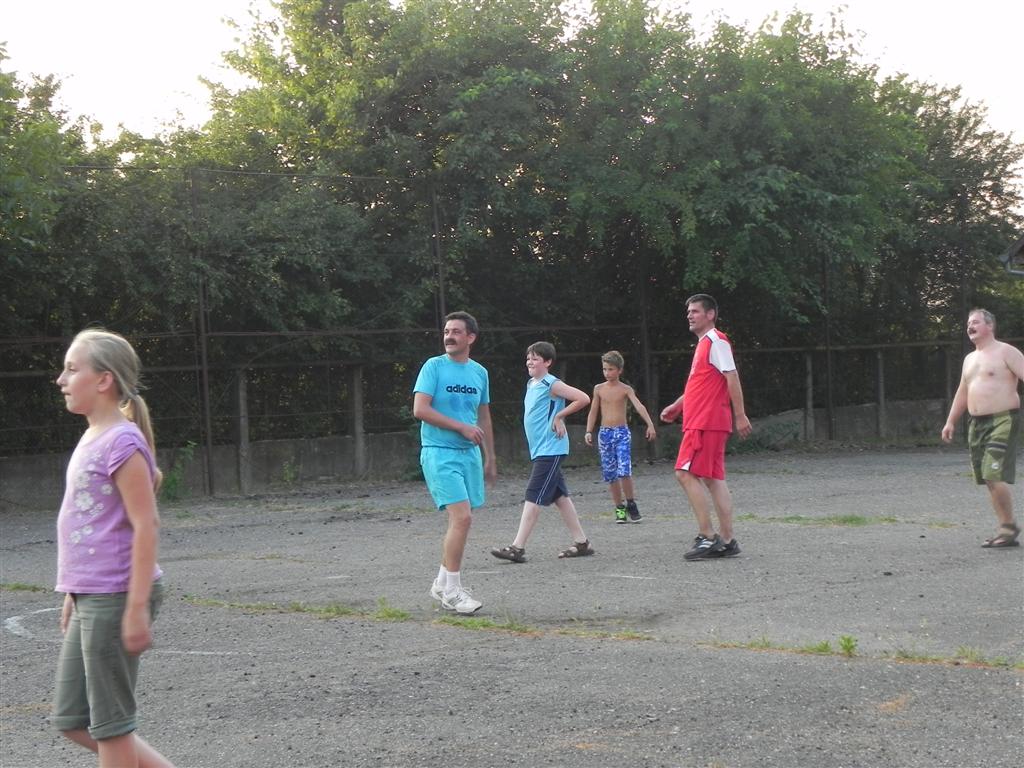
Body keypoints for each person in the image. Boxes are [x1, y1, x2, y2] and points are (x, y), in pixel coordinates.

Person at [52, 329, 174, 768]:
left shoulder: (122, 441)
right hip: (92, 594)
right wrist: (74, 592)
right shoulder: (94, 436)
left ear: (103, 380)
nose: (61, 380)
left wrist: (136, 608)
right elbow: (95, 526)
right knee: (74, 720)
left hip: (116, 595)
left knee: (111, 727)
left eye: (71, 369)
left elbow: (146, 525)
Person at [413, 311, 497, 614]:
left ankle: (441, 582)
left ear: (471, 337)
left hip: (469, 455)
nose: (449, 336)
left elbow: (484, 416)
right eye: (447, 331)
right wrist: (460, 427)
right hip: (439, 452)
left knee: (459, 521)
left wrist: (490, 456)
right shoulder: (433, 367)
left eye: (456, 332)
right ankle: (452, 592)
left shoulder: (479, 373)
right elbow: (420, 409)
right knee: (462, 518)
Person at [660, 294, 752, 560]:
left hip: (705, 421)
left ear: (710, 315)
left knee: (684, 473)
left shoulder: (716, 340)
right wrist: (678, 405)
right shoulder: (704, 344)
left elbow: (731, 376)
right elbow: (700, 384)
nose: (689, 315)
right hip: (705, 420)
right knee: (713, 479)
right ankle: (727, 540)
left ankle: (708, 536)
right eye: (688, 311)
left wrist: (740, 415)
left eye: (695, 311)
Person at [491, 342, 593, 563]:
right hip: (540, 449)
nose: (530, 362)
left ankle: (517, 548)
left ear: (547, 362)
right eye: (528, 358)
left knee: (534, 493)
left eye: (535, 358)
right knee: (560, 497)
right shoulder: (531, 383)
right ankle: (582, 543)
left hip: (551, 449)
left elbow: (583, 398)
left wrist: (559, 416)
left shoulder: (551, 383)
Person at [941, 308, 1024, 548]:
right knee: (987, 478)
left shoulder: (1006, 352)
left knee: (992, 473)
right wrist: (950, 421)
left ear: (990, 326)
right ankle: (1006, 527)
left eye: (975, 322)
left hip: (1002, 420)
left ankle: (1008, 528)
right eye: (968, 323)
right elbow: (963, 391)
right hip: (977, 424)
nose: (970, 326)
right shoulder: (969, 359)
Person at [584, 350, 657, 523]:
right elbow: (593, 410)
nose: (607, 373)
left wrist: (650, 424)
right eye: (605, 369)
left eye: (611, 369)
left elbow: (639, 406)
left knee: (624, 469)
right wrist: (588, 430)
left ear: (619, 370)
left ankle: (631, 502)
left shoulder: (625, 389)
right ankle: (619, 507)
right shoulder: (599, 389)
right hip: (605, 433)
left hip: (621, 432)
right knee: (610, 473)